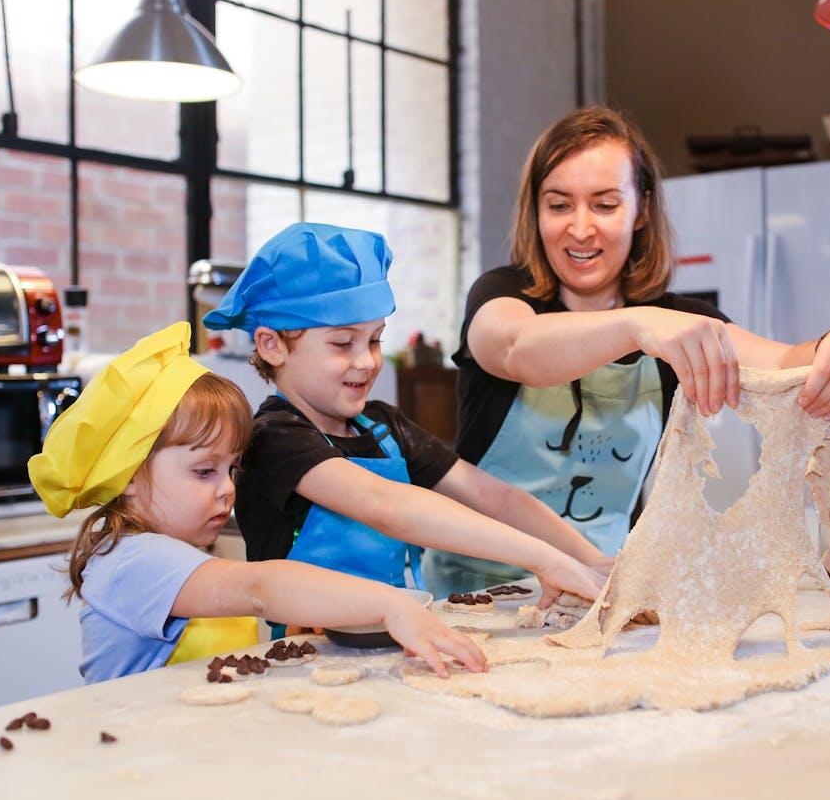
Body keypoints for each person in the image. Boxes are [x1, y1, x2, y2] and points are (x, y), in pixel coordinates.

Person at [424, 106, 830, 594]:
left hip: (598, 583)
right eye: (559, 205)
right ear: (535, 212)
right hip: (473, 595)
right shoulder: (502, 296)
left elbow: (788, 362)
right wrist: (638, 325)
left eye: (605, 205)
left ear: (641, 209)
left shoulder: (675, 321)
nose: (580, 229)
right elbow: (516, 349)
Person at [203, 223, 607, 637]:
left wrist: (590, 562)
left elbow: (495, 497)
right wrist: (541, 558)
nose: (367, 362)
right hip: (308, 650)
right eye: (343, 344)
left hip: (399, 634)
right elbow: (387, 506)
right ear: (272, 345)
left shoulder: (383, 426)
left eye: (375, 340)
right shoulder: (274, 438)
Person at [27, 322, 486, 684]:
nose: (227, 489)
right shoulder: (133, 558)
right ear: (127, 477)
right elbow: (260, 587)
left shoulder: (176, 554)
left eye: (232, 469)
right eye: (204, 471)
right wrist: (391, 605)